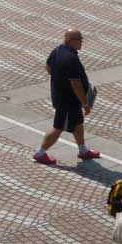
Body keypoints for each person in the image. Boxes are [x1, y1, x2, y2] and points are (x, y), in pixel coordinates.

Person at [33, 28, 99, 165]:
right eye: (80, 39)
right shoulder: (70, 58)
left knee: (78, 123)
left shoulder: (57, 50)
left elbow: (48, 67)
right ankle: (40, 153)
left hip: (65, 98)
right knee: (59, 127)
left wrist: (59, 78)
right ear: (71, 40)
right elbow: (76, 84)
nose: (82, 42)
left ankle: (82, 150)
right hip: (67, 102)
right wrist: (85, 103)